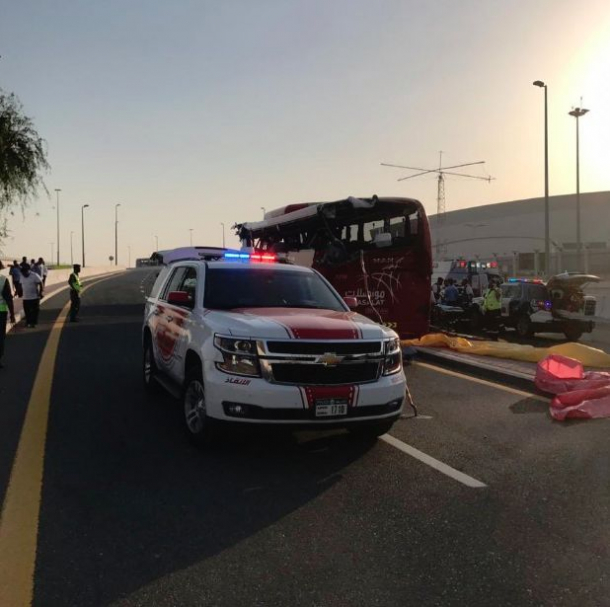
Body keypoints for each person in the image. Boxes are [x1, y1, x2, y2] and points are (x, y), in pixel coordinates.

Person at [0, 262, 17, 368]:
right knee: (0, 337)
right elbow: (9, 299)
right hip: (1, 312)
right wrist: (12, 314)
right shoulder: (3, 280)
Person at [20, 263, 44, 328]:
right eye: (23, 273)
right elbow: (20, 284)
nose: (24, 274)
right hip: (25, 297)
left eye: (25, 272)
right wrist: (18, 292)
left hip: (34, 297)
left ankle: (33, 322)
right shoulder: (21, 276)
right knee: (27, 311)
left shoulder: (34, 275)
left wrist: (41, 292)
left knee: (35, 311)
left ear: (28, 270)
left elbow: (40, 283)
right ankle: (28, 322)